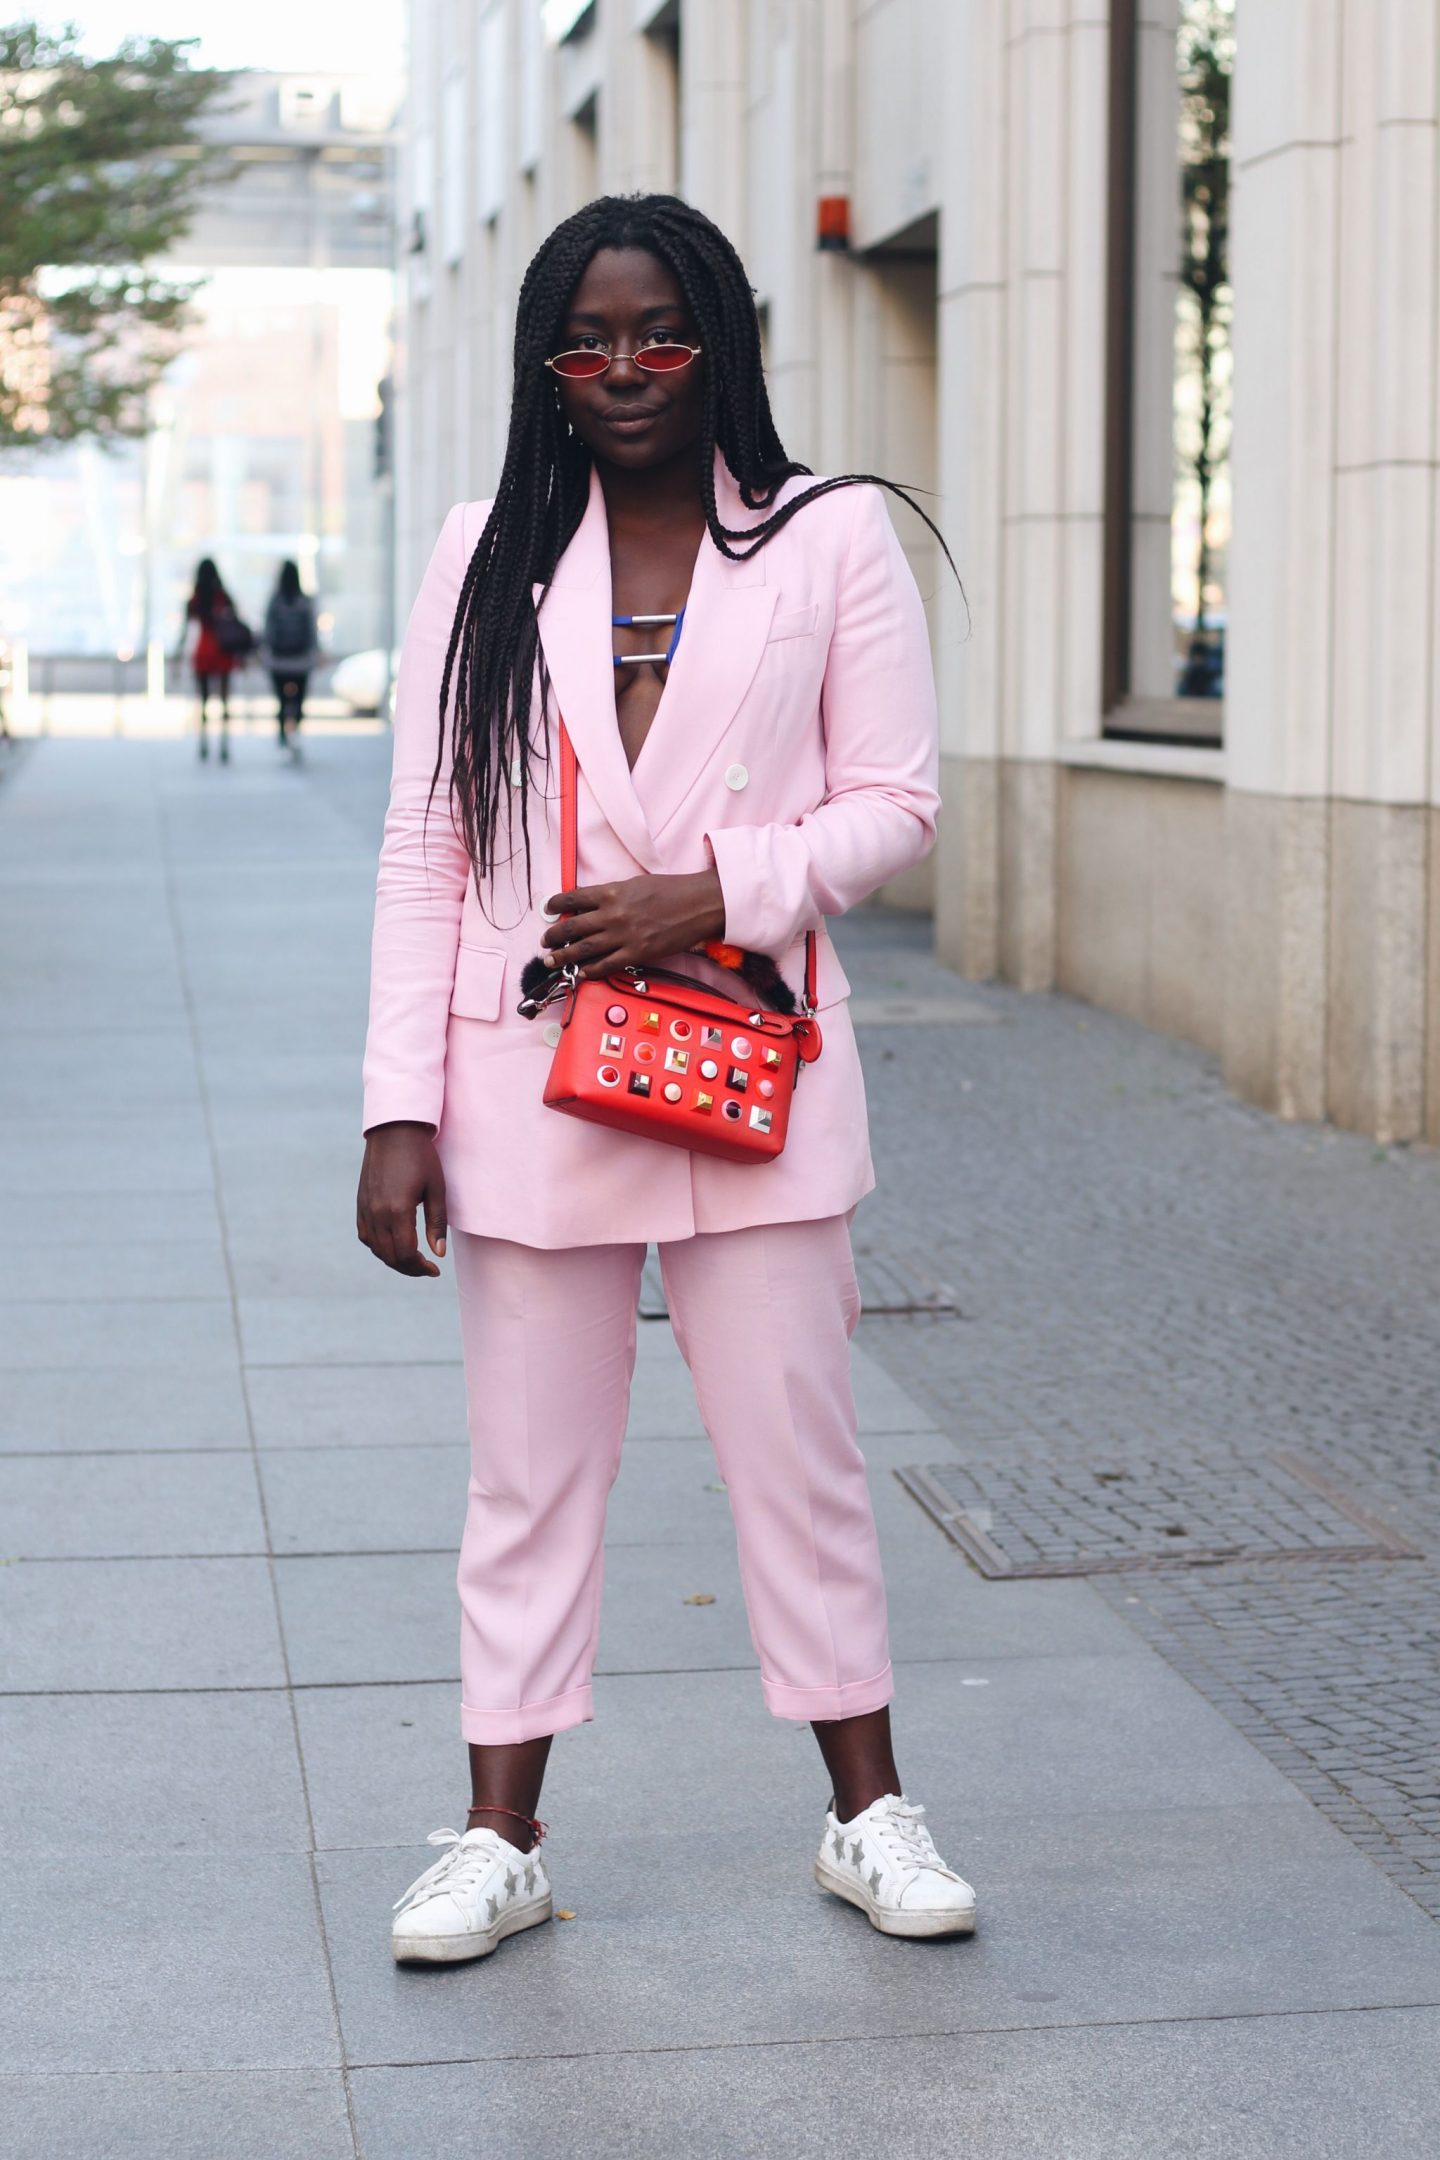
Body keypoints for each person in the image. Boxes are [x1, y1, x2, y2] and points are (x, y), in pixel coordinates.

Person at [358, 193, 977, 1967]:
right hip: (528, 1083)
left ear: (720, 341)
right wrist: (398, 1107)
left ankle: (868, 1809)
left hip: (748, 1070)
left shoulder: (828, 541)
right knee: (527, 1478)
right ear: (548, 371)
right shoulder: (485, 552)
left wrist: (721, 884)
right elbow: (426, 842)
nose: (624, 367)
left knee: (803, 1458)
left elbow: (897, 804)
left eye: (659, 333)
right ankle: (499, 1835)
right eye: (588, 341)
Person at [182, 558, 243, 763]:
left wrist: (176, 658)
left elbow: (185, 631)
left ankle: (204, 743)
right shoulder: (222, 596)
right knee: (225, 701)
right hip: (222, 650)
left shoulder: (195, 599)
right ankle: (224, 743)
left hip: (204, 650)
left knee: (204, 700)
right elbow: (236, 622)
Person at [263, 560, 318, 756]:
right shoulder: (304, 601)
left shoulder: (275, 600)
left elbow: (268, 631)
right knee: (298, 700)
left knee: (282, 702)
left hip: (278, 662)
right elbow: (312, 631)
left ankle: (283, 736)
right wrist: (314, 654)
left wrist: (266, 655)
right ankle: (295, 731)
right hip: (300, 662)